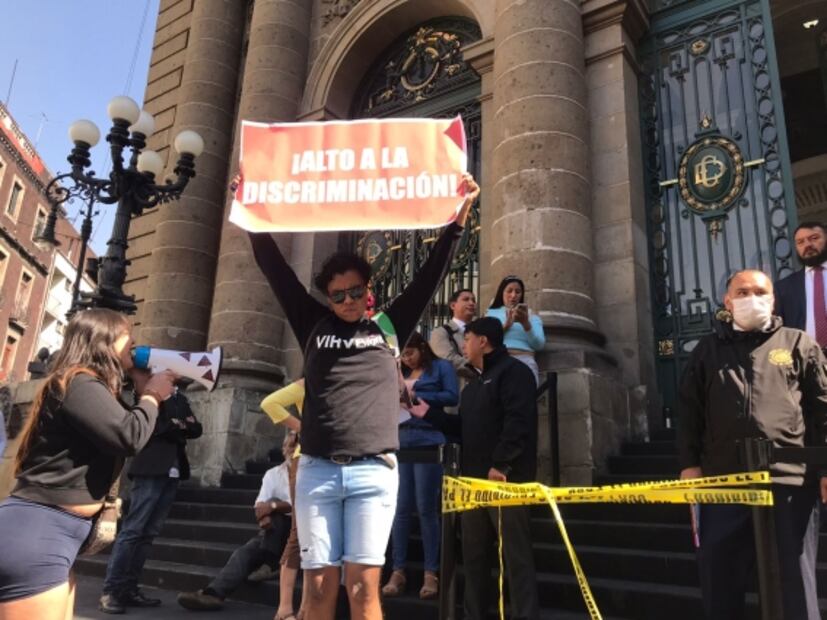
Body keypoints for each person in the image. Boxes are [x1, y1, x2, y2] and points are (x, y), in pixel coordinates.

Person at [246, 172, 479, 620]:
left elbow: (433, 272)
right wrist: (249, 204)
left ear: (368, 290)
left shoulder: (388, 328)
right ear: (328, 298)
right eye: (339, 295)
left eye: (356, 292)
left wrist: (460, 213)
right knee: (317, 590)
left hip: (374, 472)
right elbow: (273, 268)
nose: (349, 301)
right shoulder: (312, 322)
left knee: (363, 590)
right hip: (316, 471)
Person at [0, 308, 175, 620]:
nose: (134, 349)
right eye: (128, 341)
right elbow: (128, 435)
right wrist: (152, 396)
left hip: (50, 535)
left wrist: (139, 387)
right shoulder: (78, 383)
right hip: (40, 534)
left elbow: (119, 423)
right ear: (106, 343)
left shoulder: (83, 386)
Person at [677, 269, 827, 619]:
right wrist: (689, 464)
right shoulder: (705, 350)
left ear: (773, 299)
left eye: (760, 291)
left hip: (788, 481)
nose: (751, 298)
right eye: (742, 292)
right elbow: (689, 413)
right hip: (723, 484)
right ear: (727, 302)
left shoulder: (798, 343)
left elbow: (822, 408)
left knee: (793, 587)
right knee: (721, 583)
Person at [414, 317, 539, 619]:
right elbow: (463, 430)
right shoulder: (472, 386)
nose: (463, 345)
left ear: (483, 341)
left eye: (467, 338)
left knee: (515, 556)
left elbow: (518, 422)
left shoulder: (515, 373)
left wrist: (502, 464)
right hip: (472, 485)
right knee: (474, 557)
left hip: (505, 482)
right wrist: (427, 412)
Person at [99, 376, 202, 614]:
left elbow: (196, 428)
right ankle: (112, 590)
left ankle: (129, 588)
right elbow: (154, 426)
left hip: (173, 470)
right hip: (151, 467)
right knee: (133, 530)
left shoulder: (180, 398)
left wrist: (178, 424)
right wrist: (178, 424)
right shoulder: (149, 392)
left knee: (148, 534)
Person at [177, 432, 295, 613]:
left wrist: (273, 506)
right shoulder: (273, 474)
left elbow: (300, 507)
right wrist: (264, 515)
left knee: (276, 512)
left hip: (299, 534)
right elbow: (260, 504)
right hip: (273, 533)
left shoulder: (310, 475)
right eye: (288, 445)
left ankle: (270, 563)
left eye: (296, 446)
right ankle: (213, 594)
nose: (291, 450)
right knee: (244, 552)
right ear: (283, 449)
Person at [382, 332, 458, 600]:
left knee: (426, 508)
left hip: (428, 438)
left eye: (410, 353)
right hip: (401, 441)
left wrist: (419, 394)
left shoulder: (441, 368)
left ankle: (431, 572)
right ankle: (398, 569)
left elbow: (452, 396)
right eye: (403, 355)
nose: (406, 359)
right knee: (401, 508)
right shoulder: (398, 371)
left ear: (422, 348)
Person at [261, 380, 306, 620]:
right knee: (300, 536)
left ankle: (300, 607)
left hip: (316, 460)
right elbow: (270, 403)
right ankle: (285, 608)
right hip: (309, 459)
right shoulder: (309, 380)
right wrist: (302, 427)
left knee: (307, 538)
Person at [485, 275, 545, 385]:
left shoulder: (532, 317)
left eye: (518, 292)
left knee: (524, 398)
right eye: (509, 291)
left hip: (525, 361)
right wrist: (505, 327)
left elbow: (539, 344)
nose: (513, 295)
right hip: (498, 361)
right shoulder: (490, 313)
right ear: (501, 293)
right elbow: (485, 339)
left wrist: (526, 324)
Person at [775, 221, 827, 340]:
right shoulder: (783, 288)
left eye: (814, 238)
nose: (807, 244)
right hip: (805, 356)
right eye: (800, 242)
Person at [429, 288, 476, 375]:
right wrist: (480, 368)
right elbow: (448, 360)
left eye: (473, 300)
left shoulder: (481, 329)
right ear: (453, 305)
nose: (471, 303)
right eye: (466, 299)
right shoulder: (440, 333)